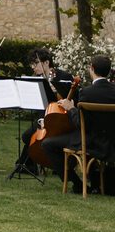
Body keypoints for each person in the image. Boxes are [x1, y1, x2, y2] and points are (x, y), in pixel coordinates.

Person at [39, 54, 115, 193]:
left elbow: (81, 124)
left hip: (90, 142)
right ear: (109, 71)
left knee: (47, 144)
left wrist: (71, 108)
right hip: (111, 142)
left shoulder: (86, 93)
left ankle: (77, 183)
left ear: (92, 68)